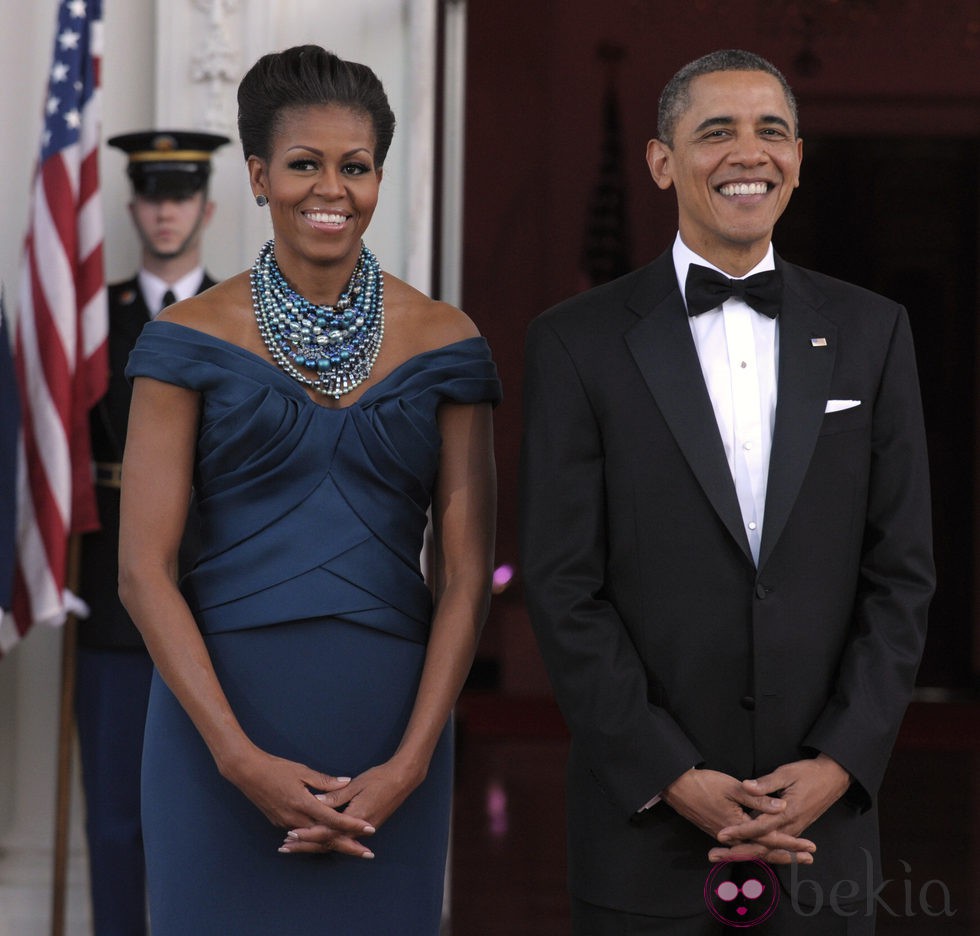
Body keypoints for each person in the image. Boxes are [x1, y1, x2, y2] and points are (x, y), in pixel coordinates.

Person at [520, 49, 933, 934]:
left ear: (796, 158)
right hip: (643, 837)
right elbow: (562, 585)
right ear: (661, 161)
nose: (750, 152)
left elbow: (901, 574)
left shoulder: (874, 332)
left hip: (824, 837)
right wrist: (669, 774)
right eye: (717, 132)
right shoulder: (574, 342)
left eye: (771, 131)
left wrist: (837, 764)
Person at [117, 45, 500, 935]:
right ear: (257, 176)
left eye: (355, 167)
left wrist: (409, 763)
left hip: (391, 731)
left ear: (377, 178)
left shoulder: (449, 343)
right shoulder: (183, 340)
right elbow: (142, 570)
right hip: (215, 728)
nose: (331, 188)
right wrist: (237, 758)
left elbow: (469, 574)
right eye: (303, 164)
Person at [76, 128, 228, 936]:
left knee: (214, 818)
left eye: (181, 196)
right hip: (112, 591)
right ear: (133, 206)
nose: (167, 211)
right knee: (114, 820)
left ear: (207, 206)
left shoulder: (239, 317)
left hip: (220, 587)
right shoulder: (90, 324)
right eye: (153, 195)